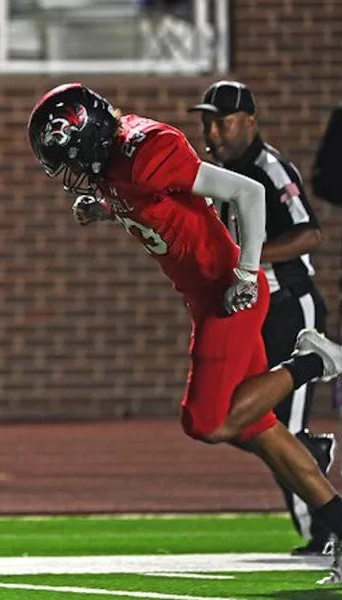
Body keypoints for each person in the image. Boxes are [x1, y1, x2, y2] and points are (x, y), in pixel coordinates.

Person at [27, 82, 342, 585]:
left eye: (68, 157)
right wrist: (103, 208)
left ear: (88, 140)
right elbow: (145, 200)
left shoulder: (148, 151)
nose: (70, 173)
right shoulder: (112, 163)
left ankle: (313, 361)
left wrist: (245, 271)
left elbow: (248, 192)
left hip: (229, 296)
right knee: (261, 432)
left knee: (207, 422)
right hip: (206, 299)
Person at [189, 80, 335, 556]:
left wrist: (246, 259)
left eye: (222, 120)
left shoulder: (268, 168)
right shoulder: (218, 171)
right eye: (207, 120)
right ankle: (323, 501)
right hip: (250, 312)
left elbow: (309, 234)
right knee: (237, 417)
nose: (212, 129)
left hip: (289, 305)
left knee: (269, 429)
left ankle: (325, 532)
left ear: (249, 122)